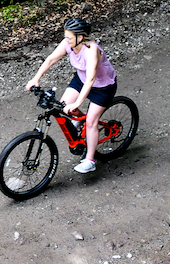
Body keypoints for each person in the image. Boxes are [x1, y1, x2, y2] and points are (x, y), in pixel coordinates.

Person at [25, 18, 118, 174]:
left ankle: (90, 160)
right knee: (63, 106)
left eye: (68, 37)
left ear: (80, 37)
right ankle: (81, 122)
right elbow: (51, 59)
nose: (66, 40)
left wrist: (77, 103)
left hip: (102, 86)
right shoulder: (69, 44)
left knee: (91, 121)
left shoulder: (91, 50)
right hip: (81, 79)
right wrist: (36, 78)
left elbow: (91, 79)